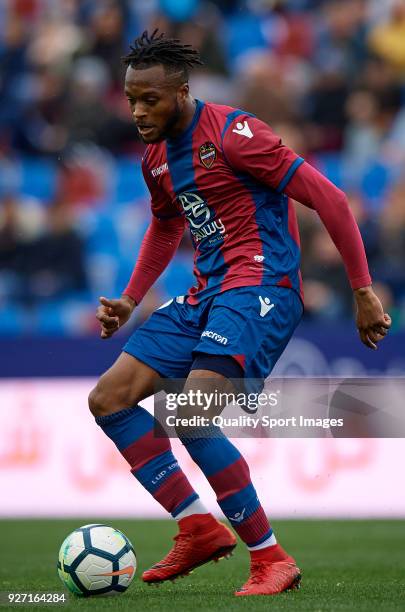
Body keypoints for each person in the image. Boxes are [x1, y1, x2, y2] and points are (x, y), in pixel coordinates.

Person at [88, 30, 391, 597]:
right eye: (130, 99)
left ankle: (270, 557)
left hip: (261, 288)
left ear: (180, 92)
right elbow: (166, 224)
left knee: (189, 413)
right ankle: (198, 527)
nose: (137, 111)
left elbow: (329, 197)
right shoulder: (155, 157)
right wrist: (131, 297)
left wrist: (363, 290)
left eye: (149, 99)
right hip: (206, 292)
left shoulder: (235, 134)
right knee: (109, 398)